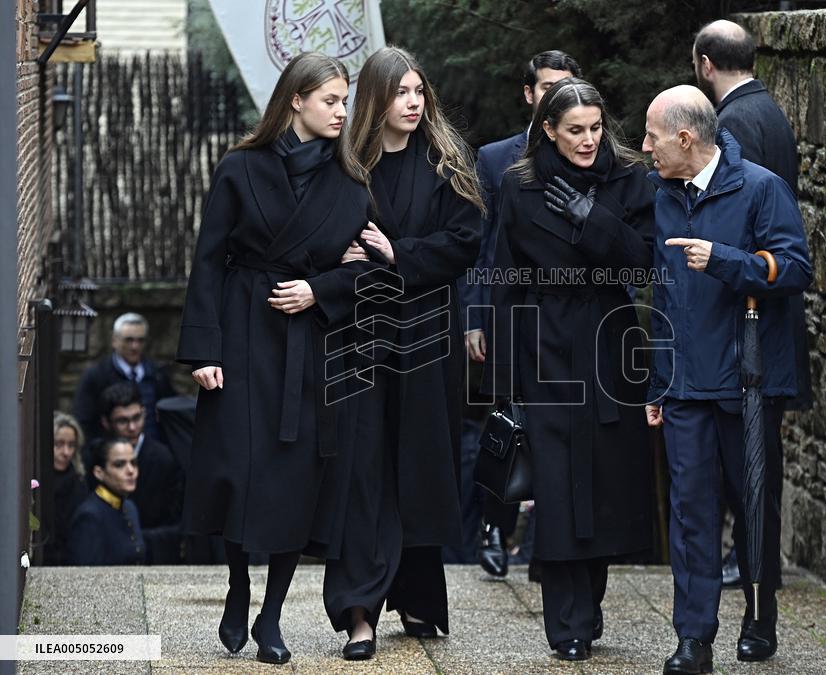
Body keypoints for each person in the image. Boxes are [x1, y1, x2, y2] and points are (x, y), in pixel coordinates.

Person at [176, 52, 382, 665]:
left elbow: (368, 271)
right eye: (331, 101)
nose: (342, 112)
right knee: (240, 470)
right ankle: (238, 588)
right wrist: (204, 349)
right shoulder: (240, 167)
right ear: (296, 99)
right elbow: (209, 259)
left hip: (308, 344)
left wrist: (319, 289)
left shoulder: (351, 183)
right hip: (243, 332)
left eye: (344, 102)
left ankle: (272, 615)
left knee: (295, 478)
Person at [641, 85, 812, 673]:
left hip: (747, 384)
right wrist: (658, 383)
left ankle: (760, 615)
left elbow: (795, 268)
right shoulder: (662, 196)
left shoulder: (762, 188)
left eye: (653, 137)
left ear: (685, 138)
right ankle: (694, 639)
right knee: (691, 513)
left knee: (753, 505)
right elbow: (663, 299)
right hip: (685, 387)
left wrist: (724, 259)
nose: (646, 148)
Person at [483, 77, 654, 661]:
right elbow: (504, 279)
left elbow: (645, 263)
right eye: (575, 130)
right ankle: (566, 622)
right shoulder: (519, 184)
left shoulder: (628, 178)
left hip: (608, 343)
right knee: (555, 486)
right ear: (549, 130)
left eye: (596, 128)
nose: (588, 140)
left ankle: (590, 603)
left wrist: (592, 220)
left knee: (602, 479)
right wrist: (504, 380)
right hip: (545, 345)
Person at [345, 45, 482, 654]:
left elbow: (466, 241)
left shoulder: (445, 161)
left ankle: (420, 601)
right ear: (376, 98)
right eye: (400, 92)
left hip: (428, 334)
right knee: (369, 465)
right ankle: (362, 607)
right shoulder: (349, 165)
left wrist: (399, 253)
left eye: (419, 91)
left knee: (423, 464)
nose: (412, 102)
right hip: (363, 333)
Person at [692, 18, 814, 591]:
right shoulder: (770, 111)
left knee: (752, 457)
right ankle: (754, 559)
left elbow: (747, 219)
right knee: (757, 453)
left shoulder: (733, 122)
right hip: (761, 300)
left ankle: (755, 563)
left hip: (751, 311)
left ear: (705, 65)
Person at [461, 49, 581, 578]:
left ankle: (542, 540)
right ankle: (493, 524)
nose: (557, 95)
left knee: (561, 425)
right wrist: (474, 316)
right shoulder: (494, 158)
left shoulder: (585, 151)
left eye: (566, 86)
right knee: (508, 422)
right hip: (508, 311)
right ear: (530, 94)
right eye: (548, 87)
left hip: (565, 315)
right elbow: (479, 245)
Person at [91, 382, 184, 564]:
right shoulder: (95, 455)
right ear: (106, 422)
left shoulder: (164, 459)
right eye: (123, 421)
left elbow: (174, 521)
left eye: (137, 417)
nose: (132, 427)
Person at [73, 313, 176, 444]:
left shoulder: (157, 374)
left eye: (140, 340)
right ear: (114, 341)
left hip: (152, 449)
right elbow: (84, 420)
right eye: (129, 340)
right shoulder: (96, 376)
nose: (135, 346)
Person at [67, 437, 145, 566]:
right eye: (119, 464)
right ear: (99, 473)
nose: (131, 471)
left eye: (133, 463)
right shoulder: (89, 516)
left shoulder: (130, 507)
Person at [46, 412, 89, 565]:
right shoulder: (36, 480)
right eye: (58, 444)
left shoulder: (79, 482)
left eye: (71, 445)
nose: (66, 452)